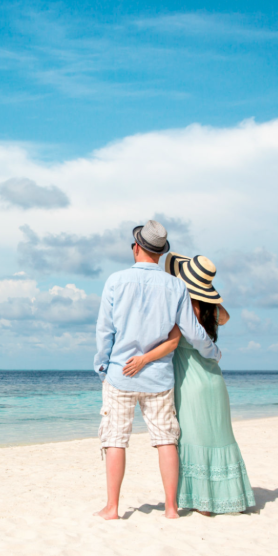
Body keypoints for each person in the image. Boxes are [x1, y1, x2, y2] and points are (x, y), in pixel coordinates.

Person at [93, 220, 222, 520]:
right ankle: (171, 508)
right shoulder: (176, 285)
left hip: (120, 374)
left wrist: (102, 367)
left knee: (115, 439)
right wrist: (213, 353)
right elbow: (191, 331)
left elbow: (105, 331)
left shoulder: (115, 280)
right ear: (161, 253)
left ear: (136, 247)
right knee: (166, 439)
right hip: (160, 377)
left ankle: (112, 508)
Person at [136, 253, 255, 515]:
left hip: (190, 381)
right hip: (214, 379)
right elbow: (225, 316)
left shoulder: (181, 310)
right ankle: (228, 498)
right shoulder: (212, 311)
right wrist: (208, 293)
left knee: (193, 437)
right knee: (219, 437)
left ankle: (203, 503)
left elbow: (167, 338)